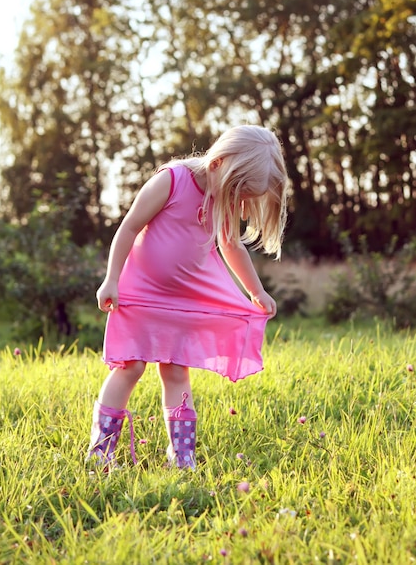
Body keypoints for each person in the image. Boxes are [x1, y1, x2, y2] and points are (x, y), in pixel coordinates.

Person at [86, 124, 289, 470]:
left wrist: (256, 291)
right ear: (217, 164)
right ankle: (101, 453)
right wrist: (111, 279)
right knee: (130, 367)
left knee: (177, 372)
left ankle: (182, 457)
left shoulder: (221, 197)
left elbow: (231, 245)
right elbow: (129, 227)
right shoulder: (172, 180)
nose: (237, 203)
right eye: (237, 192)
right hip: (140, 294)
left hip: (184, 299)